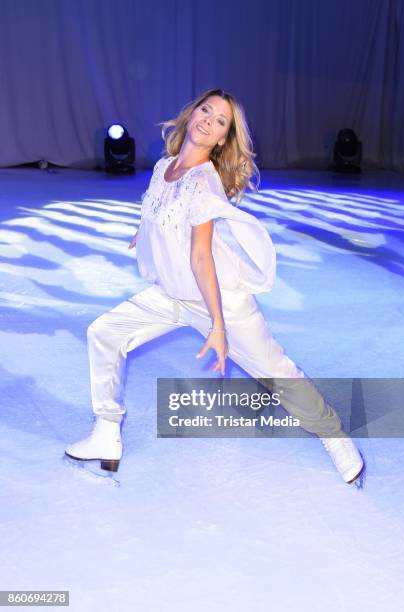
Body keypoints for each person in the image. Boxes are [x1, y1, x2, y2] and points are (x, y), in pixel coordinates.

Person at [65, 87, 365, 485]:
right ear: (192, 115)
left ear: (223, 138)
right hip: (173, 294)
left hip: (219, 300)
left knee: (276, 372)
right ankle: (106, 432)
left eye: (220, 120)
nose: (208, 120)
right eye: (206, 110)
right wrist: (148, 236)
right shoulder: (165, 168)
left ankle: (335, 437)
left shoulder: (203, 183)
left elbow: (201, 258)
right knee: (104, 332)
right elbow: (159, 214)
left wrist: (218, 327)